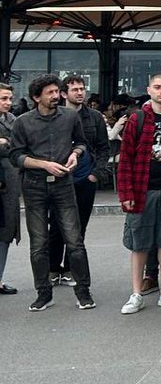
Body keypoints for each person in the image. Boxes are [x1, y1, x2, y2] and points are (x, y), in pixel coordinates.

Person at [9, 74, 93, 312]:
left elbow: (81, 142)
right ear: (37, 97)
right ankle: (43, 293)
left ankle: (83, 292)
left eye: (57, 91)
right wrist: (43, 164)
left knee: (74, 240)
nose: (56, 96)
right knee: (38, 243)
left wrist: (75, 154)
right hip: (34, 186)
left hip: (64, 184)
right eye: (50, 93)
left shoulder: (69, 116)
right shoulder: (23, 122)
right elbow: (16, 156)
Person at [117, 73, 161, 315]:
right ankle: (136, 292)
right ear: (149, 90)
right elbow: (125, 158)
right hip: (141, 188)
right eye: (158, 87)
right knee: (140, 242)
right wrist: (125, 192)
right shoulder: (137, 119)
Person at [48, 74, 110, 286]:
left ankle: (69, 269)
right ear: (64, 93)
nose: (80, 92)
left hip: (85, 179)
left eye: (82, 88)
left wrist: (96, 174)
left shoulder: (94, 117)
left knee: (79, 227)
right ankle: (52, 269)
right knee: (56, 226)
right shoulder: (55, 116)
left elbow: (103, 148)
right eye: (75, 89)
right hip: (59, 179)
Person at [0, 82, 21, 295]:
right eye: (3, 98)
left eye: (9, 98)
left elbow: (19, 146)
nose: (7, 103)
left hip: (10, 183)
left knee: (5, 233)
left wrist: (5, 143)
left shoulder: (14, 120)